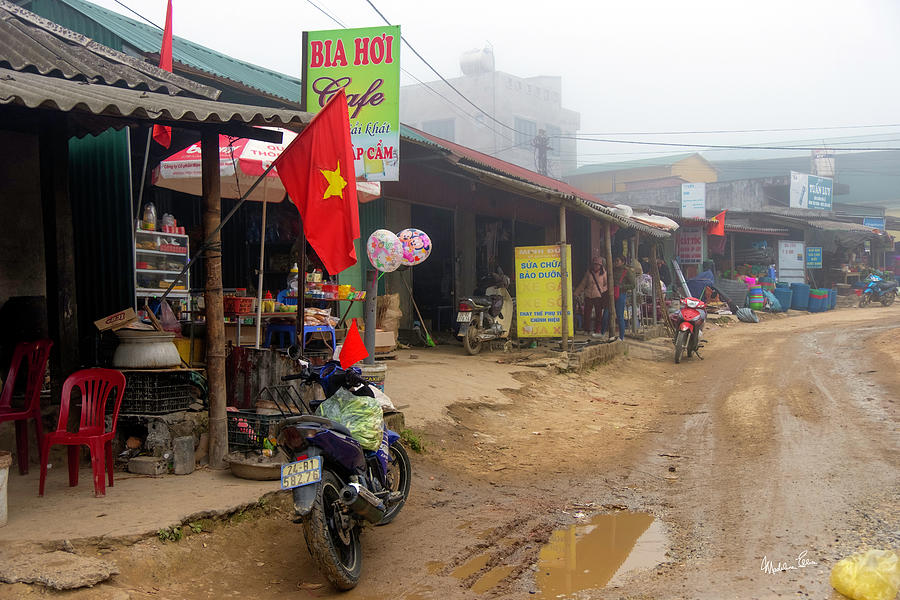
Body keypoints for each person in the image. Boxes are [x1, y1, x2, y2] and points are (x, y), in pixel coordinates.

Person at [602, 255, 635, 341]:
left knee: (620, 316)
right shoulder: (611, 270)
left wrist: (622, 286)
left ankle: (621, 337)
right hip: (611, 294)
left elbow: (633, 285)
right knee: (606, 314)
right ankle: (602, 333)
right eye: (615, 261)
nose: (615, 262)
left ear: (622, 262)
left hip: (621, 294)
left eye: (617, 260)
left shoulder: (627, 272)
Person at [574, 257, 607, 336]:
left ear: (601, 266)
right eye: (594, 264)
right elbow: (583, 283)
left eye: (598, 265)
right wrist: (576, 293)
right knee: (586, 314)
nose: (596, 266)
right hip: (588, 295)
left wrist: (603, 291)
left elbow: (606, 285)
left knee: (598, 314)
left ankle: (597, 330)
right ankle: (587, 329)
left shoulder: (604, 273)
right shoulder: (589, 273)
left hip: (598, 296)